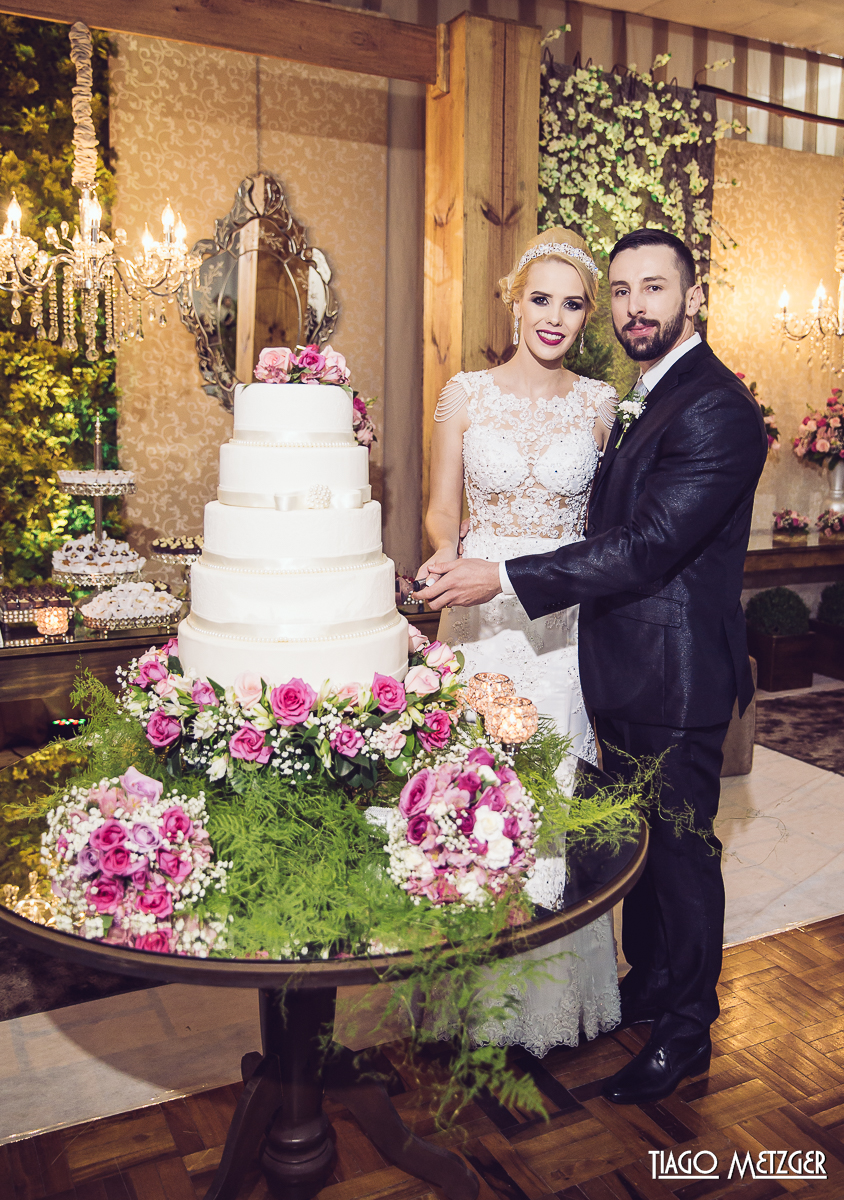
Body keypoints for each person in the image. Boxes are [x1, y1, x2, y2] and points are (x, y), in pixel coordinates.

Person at [422, 228, 768, 1104]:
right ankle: (646, 985)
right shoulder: (649, 394)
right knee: (631, 843)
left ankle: (685, 1031)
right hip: (608, 656)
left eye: (652, 288)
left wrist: (500, 573)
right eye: (620, 290)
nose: (633, 306)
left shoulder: (715, 407)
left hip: (674, 671)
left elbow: (646, 545)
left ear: (692, 297)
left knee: (683, 852)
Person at [418, 228, 622, 1056]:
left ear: (585, 319)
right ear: (513, 299)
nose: (555, 317)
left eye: (573, 305)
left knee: (553, 799)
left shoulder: (602, 406)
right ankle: (465, 1004)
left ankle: (546, 1007)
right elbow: (440, 504)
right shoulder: (463, 393)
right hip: (477, 616)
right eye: (542, 298)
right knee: (471, 795)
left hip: (564, 625)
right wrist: (444, 550)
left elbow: (608, 530)